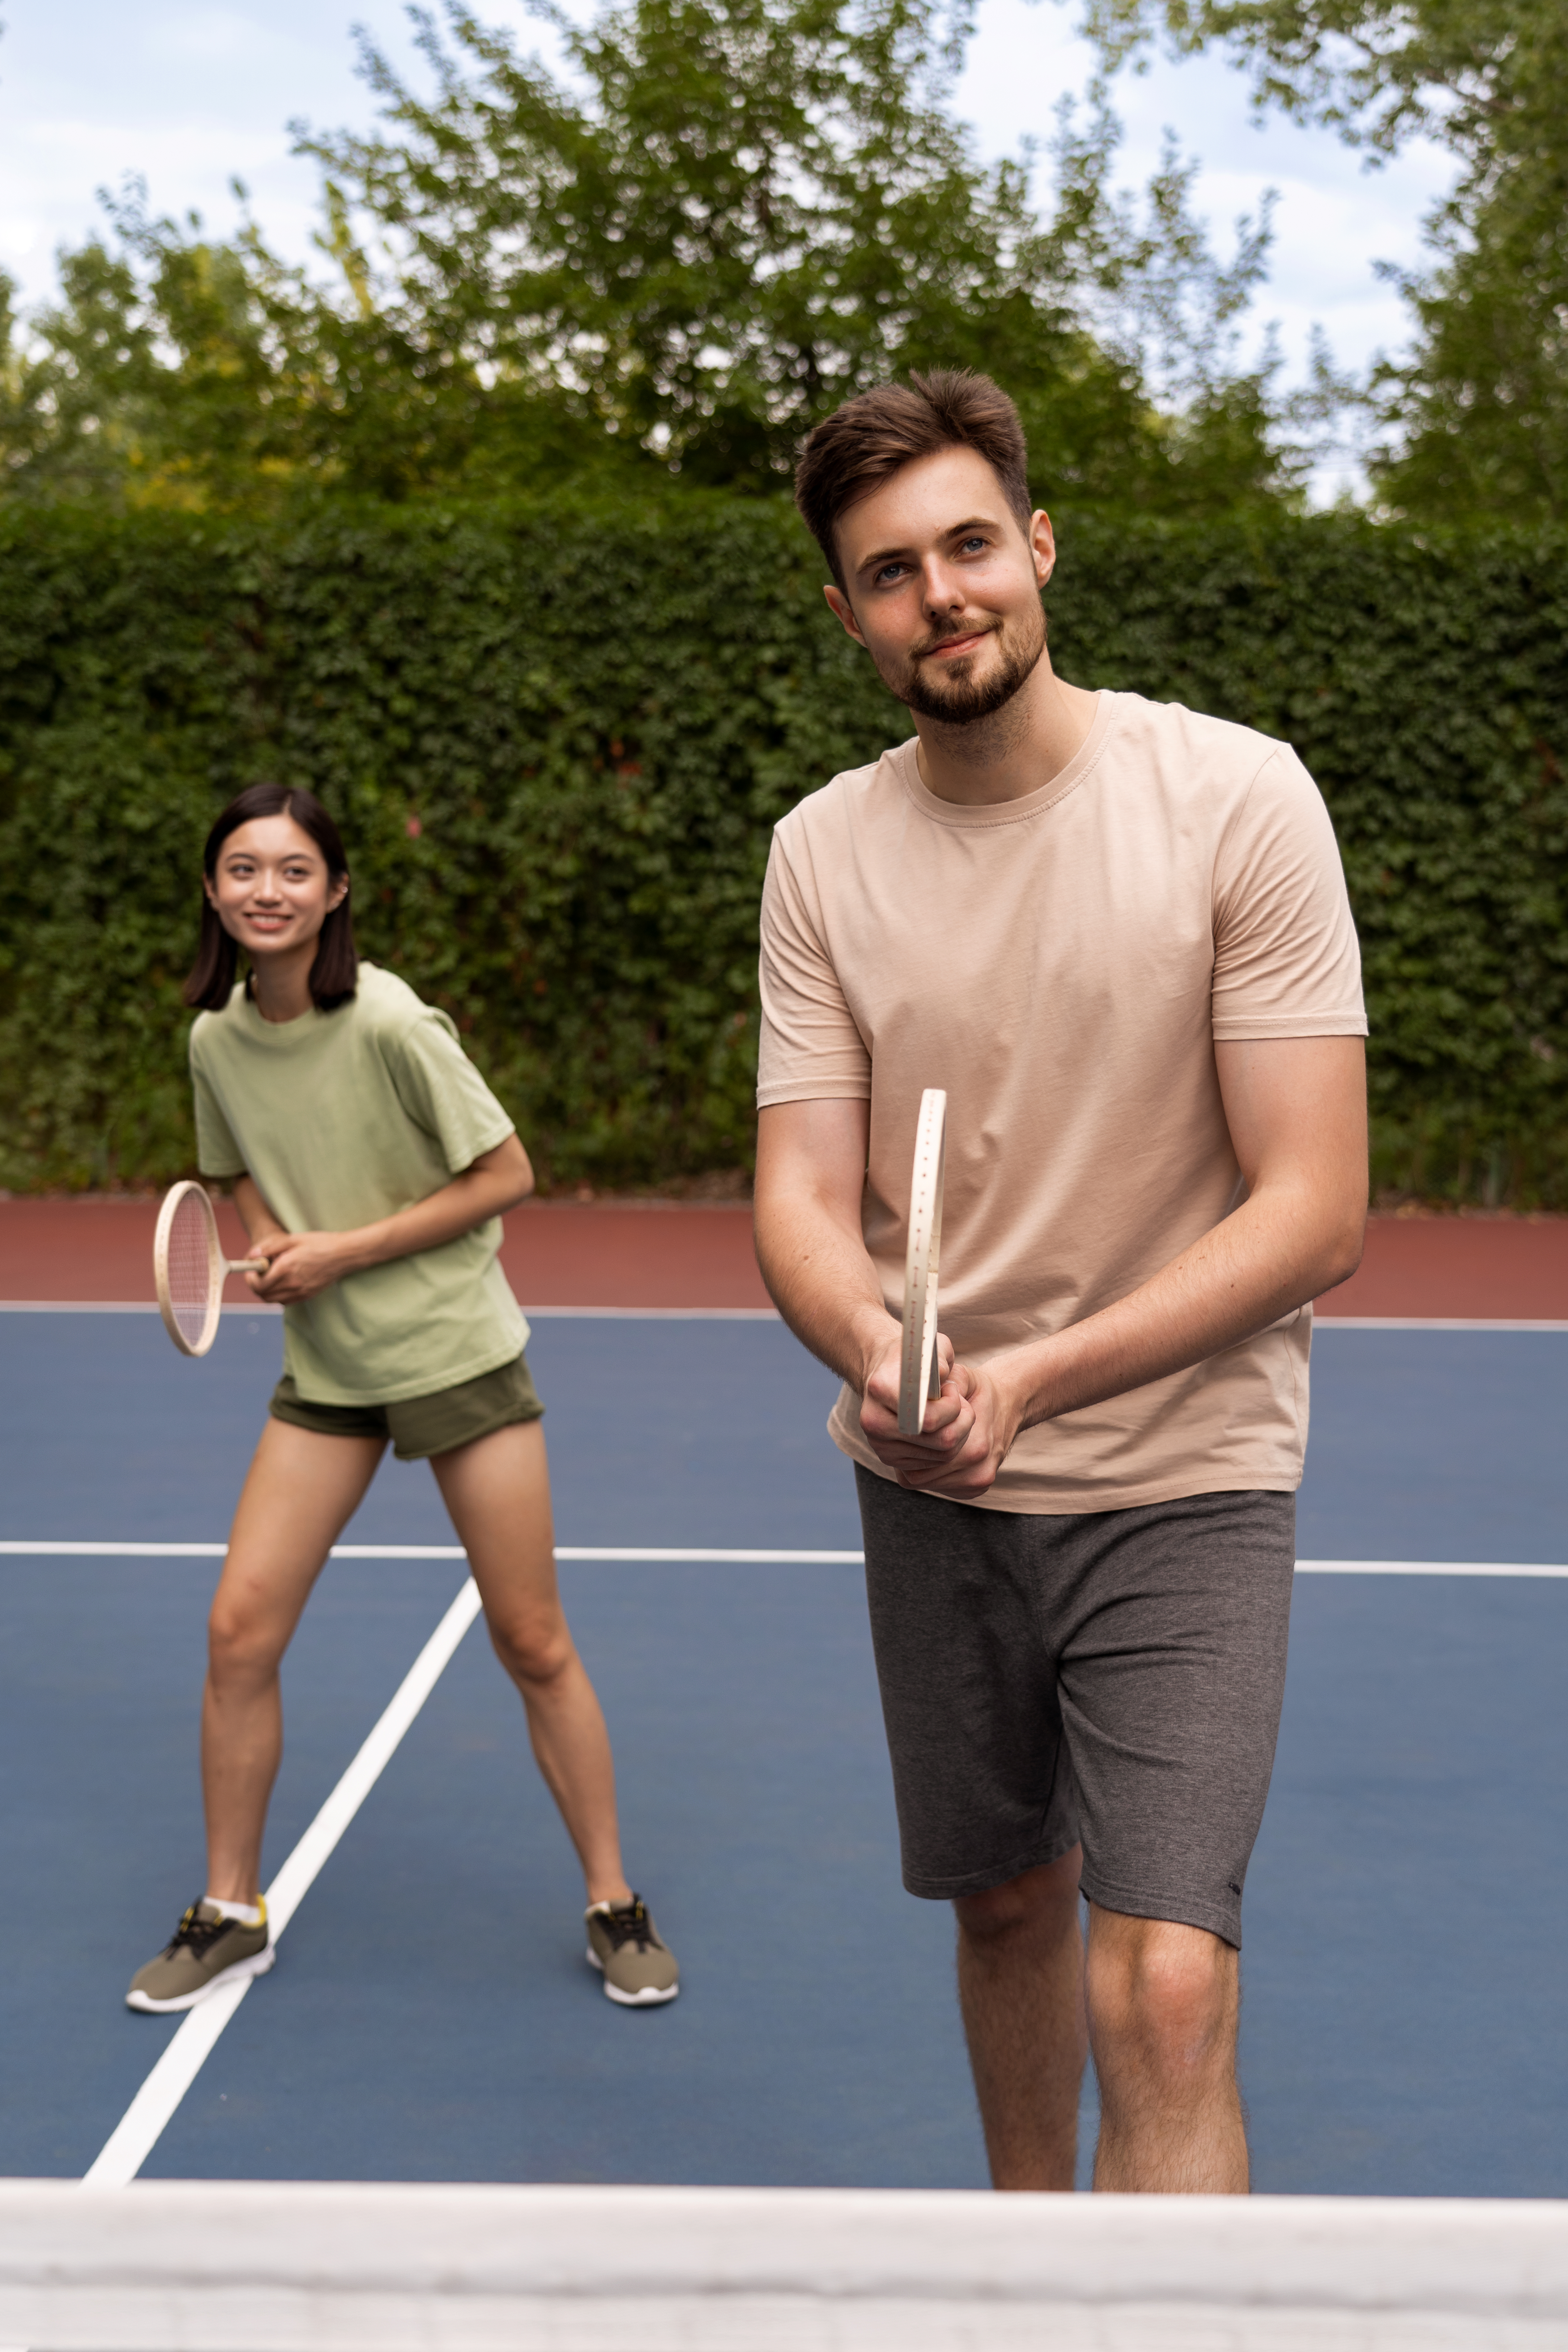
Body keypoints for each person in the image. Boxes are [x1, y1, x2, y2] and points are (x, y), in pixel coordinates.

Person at [752, 371, 1367, 2193]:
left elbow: (1313, 1204)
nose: (939, 595)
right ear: (851, 613)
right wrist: (888, 1355)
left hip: (1186, 1475)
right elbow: (795, 1193)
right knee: (1009, 1911)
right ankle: (1027, 2276)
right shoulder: (817, 854)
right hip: (931, 1490)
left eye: (965, 546)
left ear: (1034, 546)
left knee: (1165, 1990)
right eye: (887, 572)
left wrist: (1031, 1381)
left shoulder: (1236, 801)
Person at [127, 782, 678, 2014]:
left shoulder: (389, 1022)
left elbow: (507, 1172)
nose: (266, 889)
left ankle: (612, 1900)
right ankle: (229, 1909)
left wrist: (345, 1249)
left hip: (453, 1353)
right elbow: (236, 1182)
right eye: (241, 868)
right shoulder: (215, 1038)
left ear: (334, 892)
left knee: (532, 1641)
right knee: (238, 1632)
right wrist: (274, 1242)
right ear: (213, 890)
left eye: (292, 869)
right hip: (326, 1373)